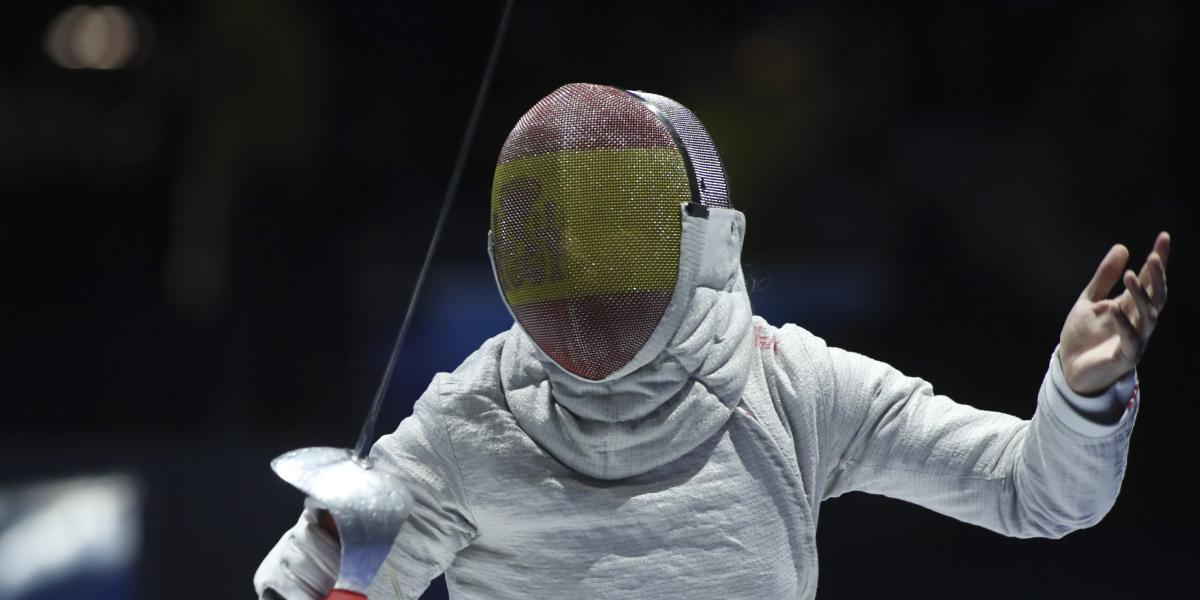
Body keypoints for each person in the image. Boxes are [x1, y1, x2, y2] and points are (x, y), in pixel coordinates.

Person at [254, 83, 1171, 600]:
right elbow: (307, 586)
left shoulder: (795, 390)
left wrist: (1081, 398)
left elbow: (1035, 491)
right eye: (563, 231)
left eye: (616, 227)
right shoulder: (465, 426)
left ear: (702, 241)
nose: (579, 258)